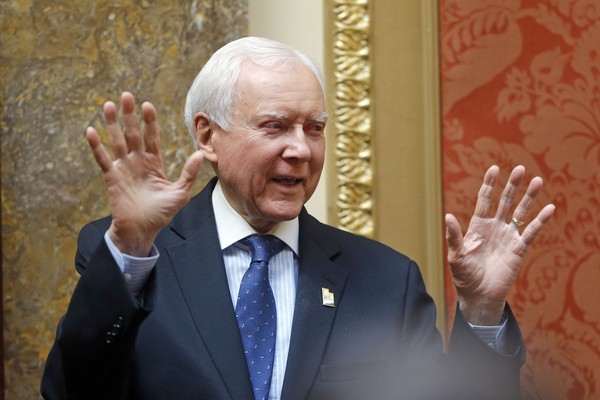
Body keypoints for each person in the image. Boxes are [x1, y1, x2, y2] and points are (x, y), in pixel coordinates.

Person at [41, 36, 555, 400]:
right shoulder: (135, 258)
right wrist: (130, 250)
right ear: (208, 136)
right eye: (275, 126)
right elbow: (71, 391)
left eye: (314, 128)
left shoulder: (384, 280)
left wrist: (482, 310)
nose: (301, 150)